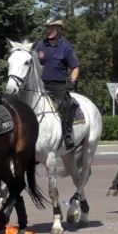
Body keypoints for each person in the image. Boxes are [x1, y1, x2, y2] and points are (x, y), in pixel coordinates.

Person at [36, 14, 79, 150]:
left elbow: (75, 67)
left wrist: (72, 80)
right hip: (40, 85)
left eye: (52, 27)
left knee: (66, 104)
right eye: (48, 27)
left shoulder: (66, 47)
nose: (49, 30)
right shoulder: (39, 45)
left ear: (59, 29)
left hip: (58, 86)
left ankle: (67, 134)